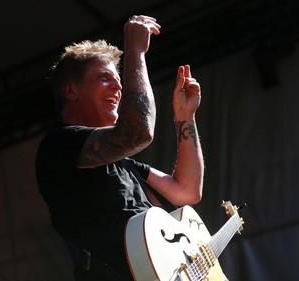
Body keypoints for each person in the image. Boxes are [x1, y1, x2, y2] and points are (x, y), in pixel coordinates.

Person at [35, 15, 204, 280]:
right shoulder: (60, 144)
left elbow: (187, 191)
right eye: (104, 78)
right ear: (71, 91)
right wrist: (135, 50)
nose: (117, 86)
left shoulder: (125, 163)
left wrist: (185, 117)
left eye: (119, 79)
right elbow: (138, 133)